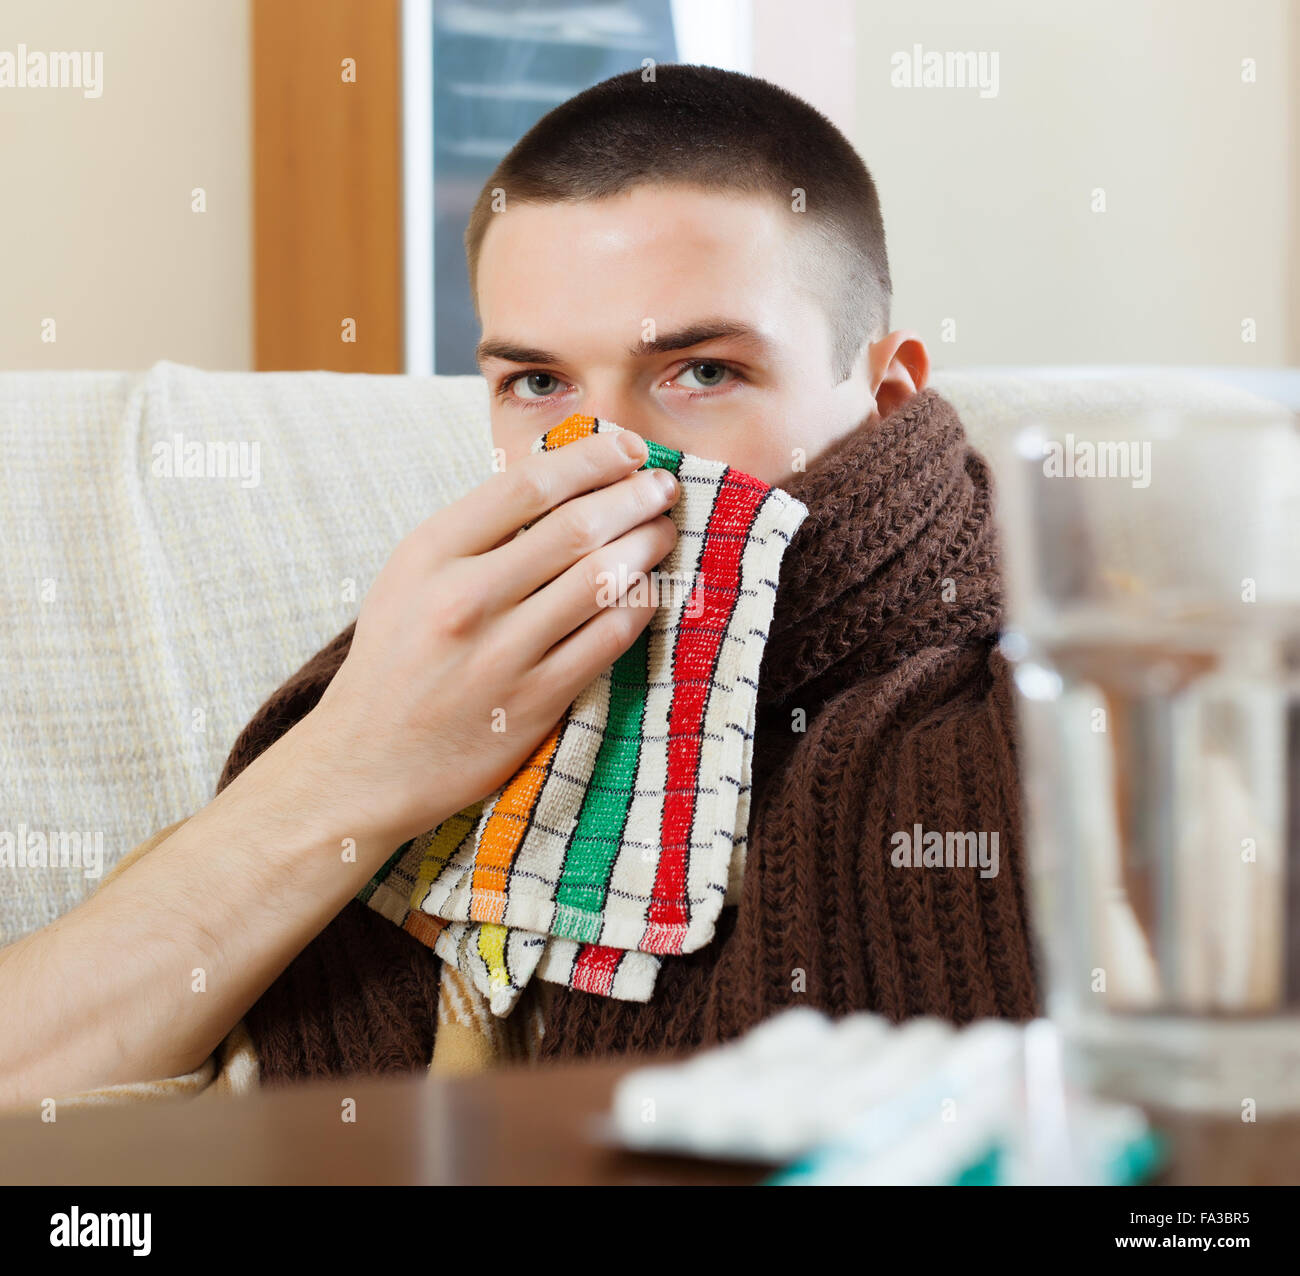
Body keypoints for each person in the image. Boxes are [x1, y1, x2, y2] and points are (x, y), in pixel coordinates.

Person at [0, 64, 1038, 1111]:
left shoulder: (1056, 708)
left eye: (703, 372)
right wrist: (354, 764)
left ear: (884, 391)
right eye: (539, 385)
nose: (612, 453)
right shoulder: (418, 662)